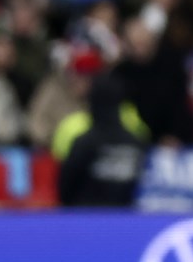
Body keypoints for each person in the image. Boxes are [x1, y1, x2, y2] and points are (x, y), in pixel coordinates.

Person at [58, 74, 147, 207]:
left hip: (85, 215)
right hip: (123, 216)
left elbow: (65, 188)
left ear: (93, 102)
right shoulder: (136, 143)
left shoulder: (84, 143)